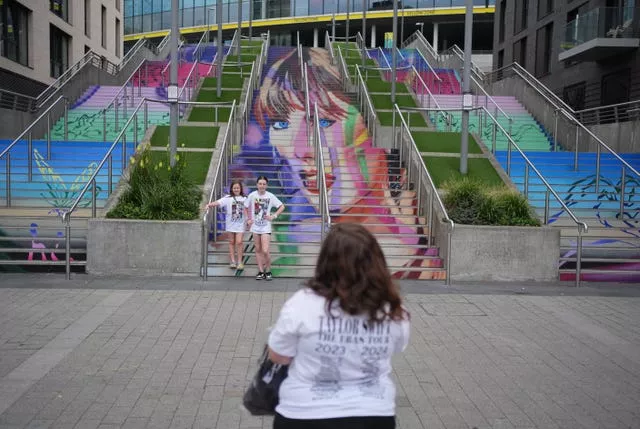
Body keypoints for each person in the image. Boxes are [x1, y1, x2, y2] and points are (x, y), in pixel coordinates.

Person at [232, 47, 440, 279]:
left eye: (324, 122)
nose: (302, 151)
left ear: (367, 125)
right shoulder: (292, 243)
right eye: (281, 124)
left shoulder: (423, 254)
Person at [267, 223, 411, 429]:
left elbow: (278, 355)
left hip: (304, 412)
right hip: (373, 413)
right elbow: (398, 346)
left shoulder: (302, 303)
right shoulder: (393, 309)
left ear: (325, 261)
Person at [244, 175, 285, 281]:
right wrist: (248, 219)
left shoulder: (270, 196)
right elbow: (245, 206)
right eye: (260, 184)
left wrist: (273, 216)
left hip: (266, 227)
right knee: (258, 249)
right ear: (257, 185)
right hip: (255, 227)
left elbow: (281, 206)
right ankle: (261, 271)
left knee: (265, 250)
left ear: (266, 185)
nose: (262, 186)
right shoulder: (252, 195)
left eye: (264, 184)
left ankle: (268, 270)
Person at [206, 180, 247, 270]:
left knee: (239, 242)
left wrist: (249, 220)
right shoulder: (228, 198)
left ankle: (240, 262)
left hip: (240, 225)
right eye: (234, 188)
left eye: (238, 188)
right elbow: (218, 202)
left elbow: (249, 210)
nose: (236, 189)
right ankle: (232, 261)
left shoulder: (245, 199)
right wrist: (209, 205)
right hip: (230, 224)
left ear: (241, 189)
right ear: (232, 189)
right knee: (231, 242)